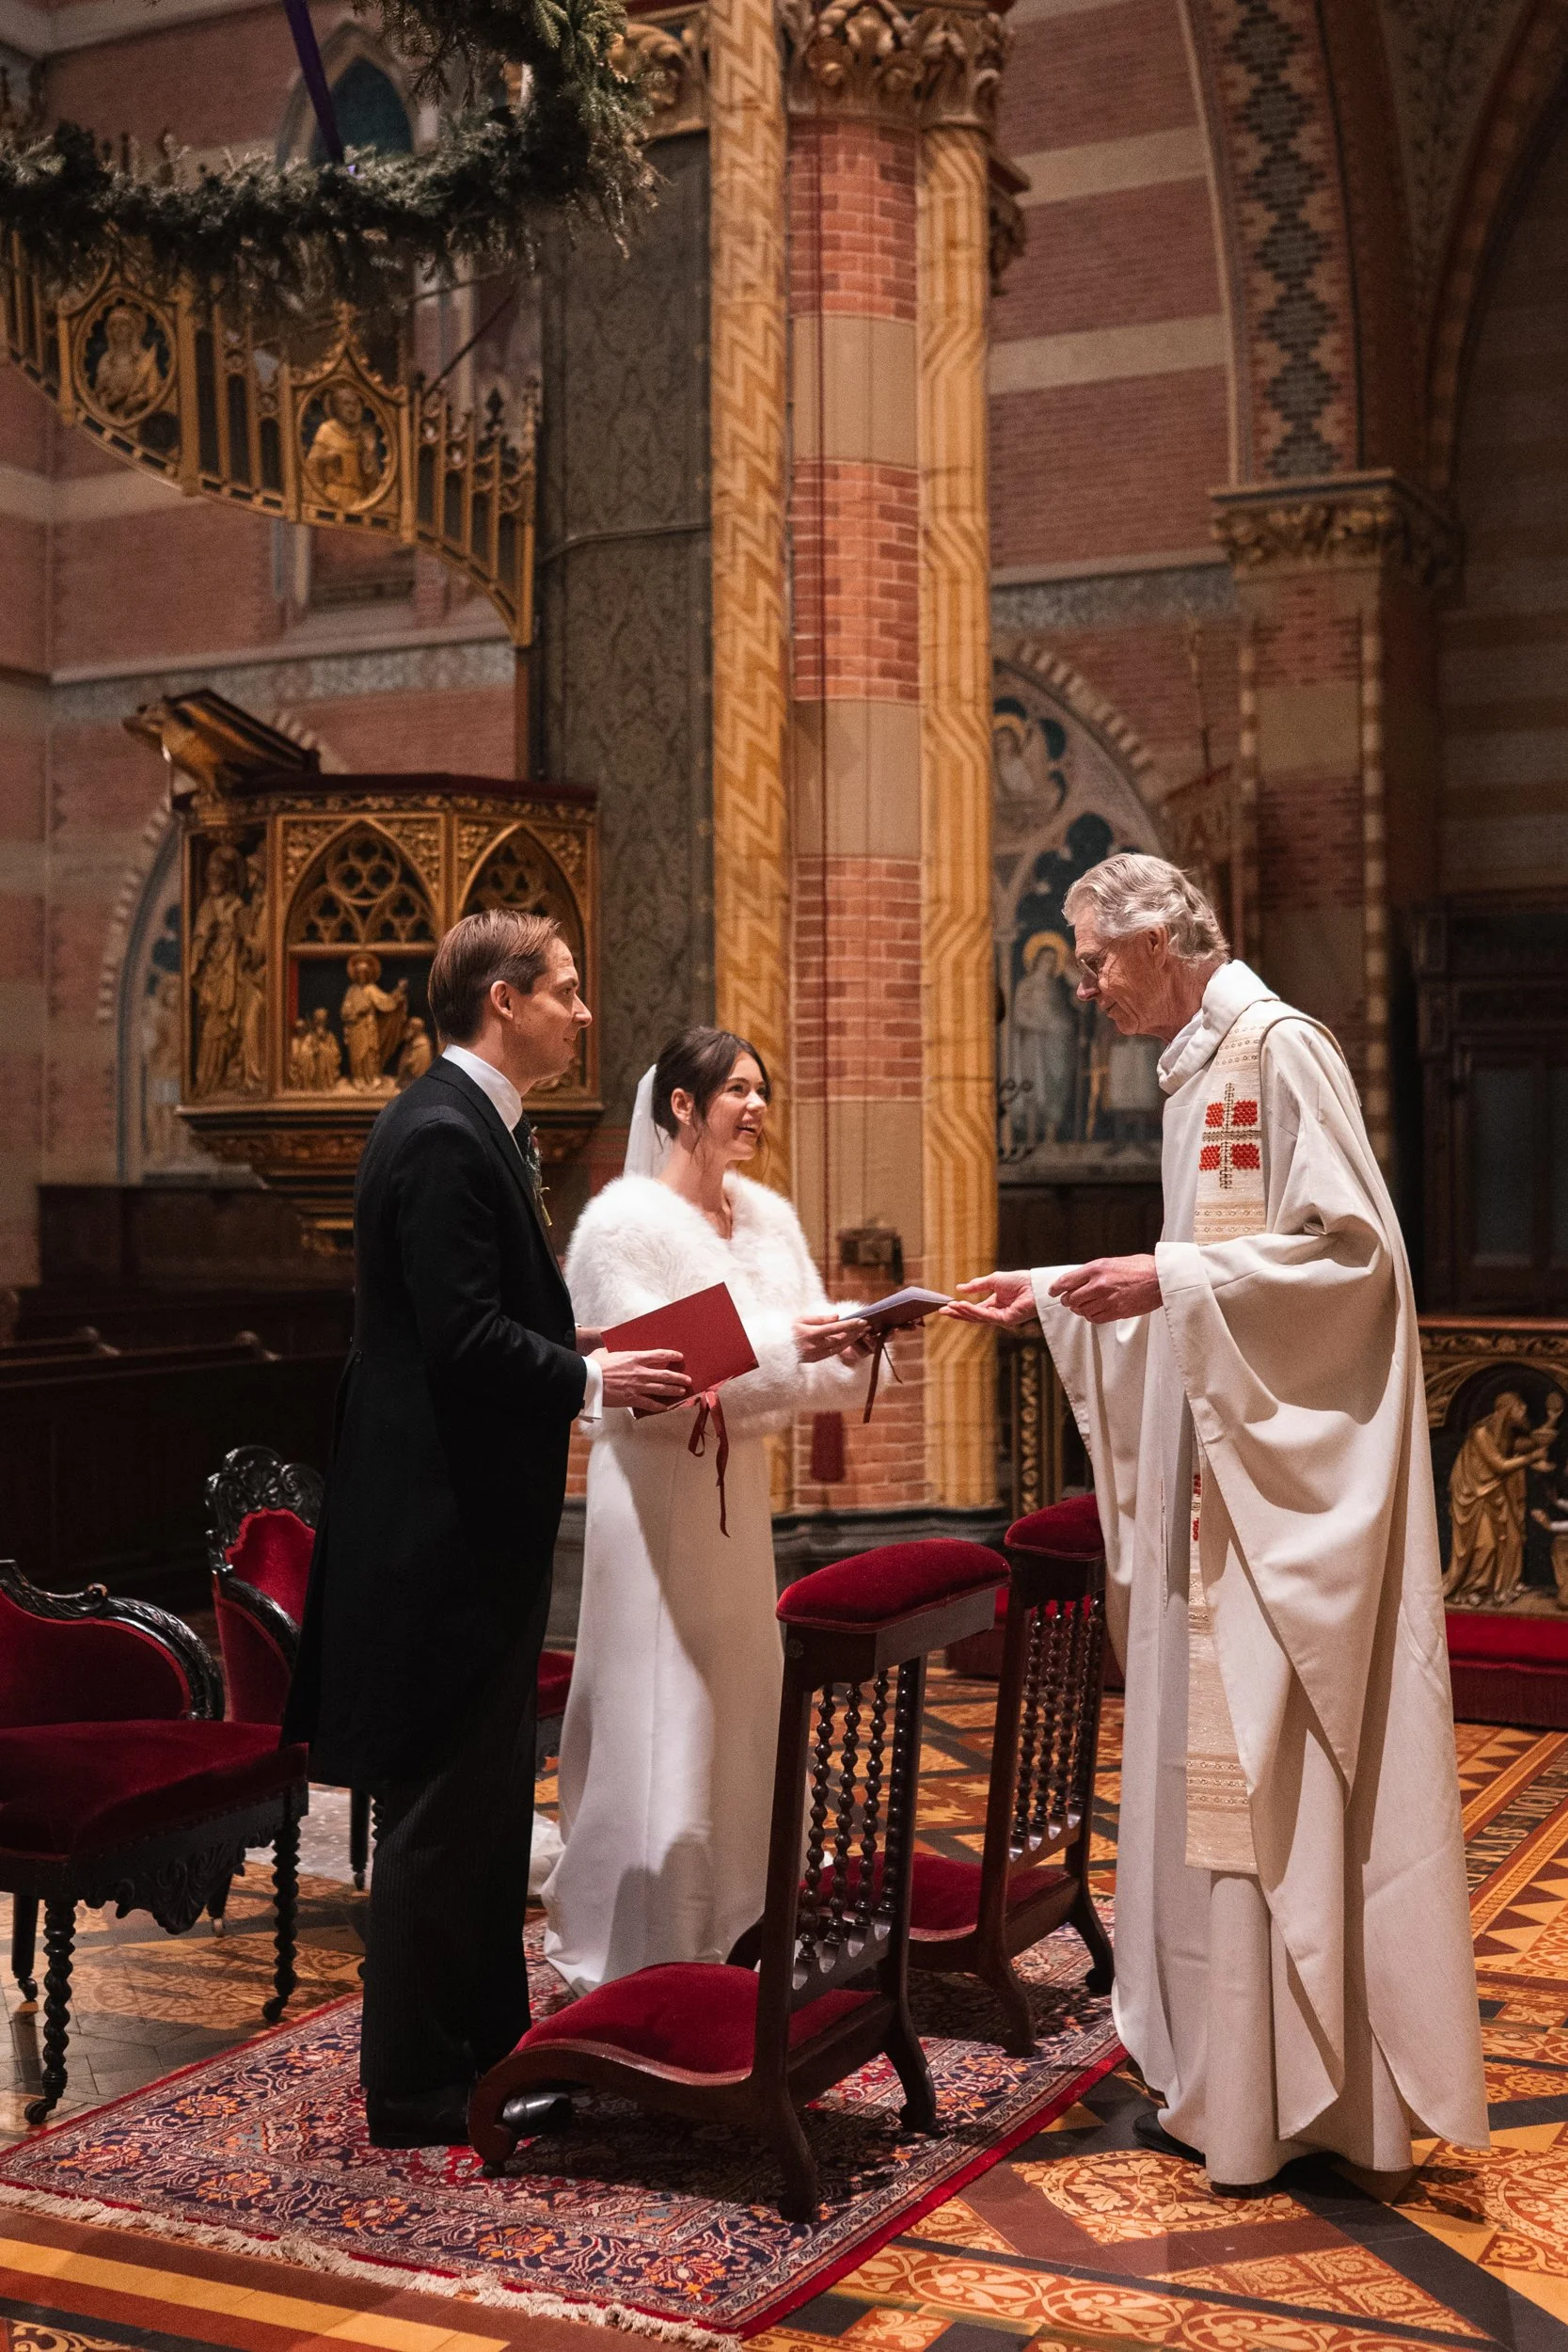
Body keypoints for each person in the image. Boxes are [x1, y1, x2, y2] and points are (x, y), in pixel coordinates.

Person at [952, 851, 1487, 2194]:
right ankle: (1233, 2080)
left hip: (1274, 1514)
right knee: (1212, 1788)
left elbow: (1354, 1265)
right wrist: (1059, 1289)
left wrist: (1171, 1275)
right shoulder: (1196, 1068)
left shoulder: (1276, 1048)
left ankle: (1305, 2095)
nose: (1080, 988)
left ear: (1161, 940)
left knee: (1268, 1770)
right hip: (1216, 1503)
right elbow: (1186, 1283)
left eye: (1093, 960)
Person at [282, 909, 690, 2148]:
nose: (581, 1010)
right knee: (437, 1812)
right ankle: (413, 2087)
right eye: (564, 989)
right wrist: (590, 1380)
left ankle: (485, 2050)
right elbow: (457, 1339)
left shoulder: (464, 1126)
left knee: (479, 1805)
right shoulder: (444, 1136)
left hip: (466, 1516)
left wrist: (577, 1358)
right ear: (501, 1001)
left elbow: (463, 1328)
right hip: (435, 1528)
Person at [543, 1027, 876, 1994]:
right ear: (681, 1106)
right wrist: (788, 1343)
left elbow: (783, 1363)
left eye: (761, 1088)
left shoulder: (766, 1217)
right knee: (658, 1717)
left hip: (737, 1508)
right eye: (737, 1088)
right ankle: (635, 1942)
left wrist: (851, 1340)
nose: (757, 1105)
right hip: (652, 1505)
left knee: (738, 1709)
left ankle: (739, 1917)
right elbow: (653, 1373)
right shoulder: (621, 1224)